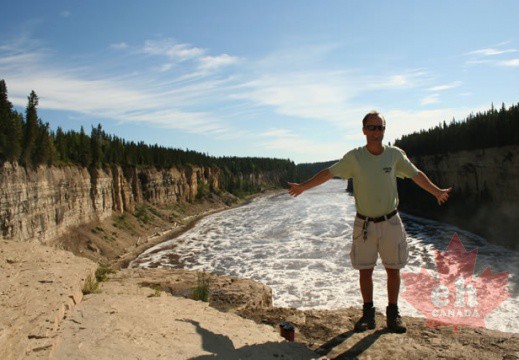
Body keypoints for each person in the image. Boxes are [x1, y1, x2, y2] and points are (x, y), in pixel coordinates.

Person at [287, 111, 451, 333]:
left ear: (385, 130)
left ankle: (393, 315)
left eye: (381, 128)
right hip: (364, 224)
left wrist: (436, 191)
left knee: (393, 269)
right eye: (372, 128)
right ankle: (368, 314)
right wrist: (303, 187)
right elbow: (328, 173)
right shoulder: (355, 157)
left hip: (391, 221)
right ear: (363, 130)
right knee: (365, 270)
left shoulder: (394, 155)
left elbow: (415, 174)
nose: (377, 132)